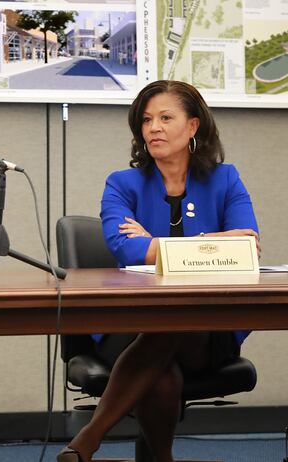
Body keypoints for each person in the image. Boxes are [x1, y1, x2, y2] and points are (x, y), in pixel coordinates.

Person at [57, 80, 259, 462]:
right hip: (131, 322)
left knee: (176, 323)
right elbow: (123, 246)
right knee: (163, 360)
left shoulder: (225, 179)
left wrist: (155, 243)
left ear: (193, 126)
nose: (154, 128)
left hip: (207, 329)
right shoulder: (122, 183)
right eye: (147, 120)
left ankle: (87, 442)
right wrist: (211, 243)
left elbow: (246, 246)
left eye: (166, 118)